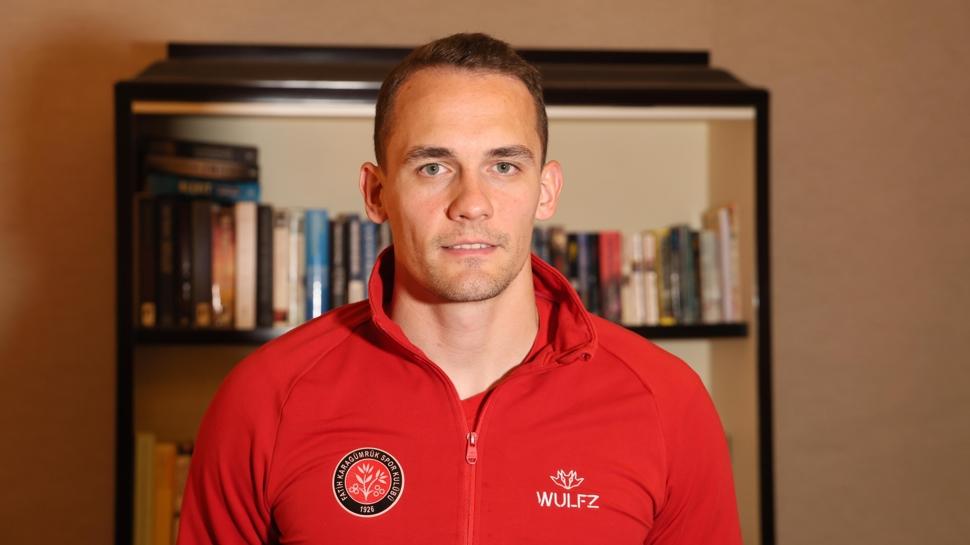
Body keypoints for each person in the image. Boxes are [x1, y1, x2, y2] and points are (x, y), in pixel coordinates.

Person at [177, 33, 742, 544]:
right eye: (433, 167)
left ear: (546, 190)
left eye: (504, 166)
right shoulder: (264, 399)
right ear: (376, 193)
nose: (471, 203)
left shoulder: (667, 401)